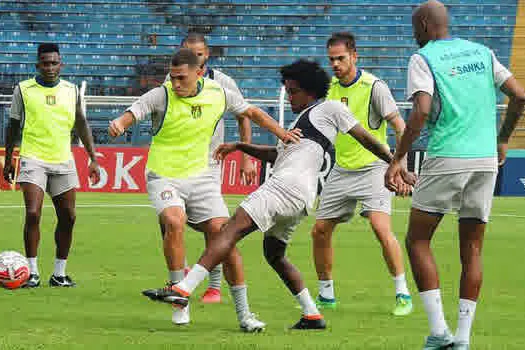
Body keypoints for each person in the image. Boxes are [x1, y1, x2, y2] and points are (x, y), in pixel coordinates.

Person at [142, 59, 412, 330]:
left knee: (228, 230)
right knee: (274, 254)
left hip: (284, 188)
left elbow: (364, 138)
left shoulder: (330, 108)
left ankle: (184, 289)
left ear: (309, 91)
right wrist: (241, 146)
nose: (290, 96)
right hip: (301, 197)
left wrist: (395, 163)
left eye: (293, 91)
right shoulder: (303, 121)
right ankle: (312, 314)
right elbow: (276, 155)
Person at [109, 49, 299, 331]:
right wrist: (119, 124)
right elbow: (132, 113)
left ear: (199, 73)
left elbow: (251, 112)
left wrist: (282, 133)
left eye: (181, 78)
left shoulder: (219, 93)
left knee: (225, 238)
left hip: (202, 179)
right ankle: (179, 299)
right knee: (174, 221)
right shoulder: (161, 94)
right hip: (164, 176)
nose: (175, 84)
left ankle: (245, 315)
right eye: (172, 78)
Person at [385, 1, 525, 348]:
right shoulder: (482, 52)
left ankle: (438, 331)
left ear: (423, 24)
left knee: (417, 240)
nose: (413, 34)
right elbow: (520, 95)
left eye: (414, 27)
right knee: (473, 249)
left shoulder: (424, 57)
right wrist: (502, 139)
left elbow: (421, 109)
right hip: (484, 161)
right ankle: (462, 339)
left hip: (448, 156)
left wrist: (398, 158)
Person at [310, 32, 413, 315]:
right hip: (342, 169)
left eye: (341, 58)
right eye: (331, 59)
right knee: (319, 231)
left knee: (381, 228)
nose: (335, 64)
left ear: (354, 56)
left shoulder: (374, 87)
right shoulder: (328, 88)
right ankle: (326, 296)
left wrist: (399, 165)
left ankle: (403, 293)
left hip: (374, 169)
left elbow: (399, 125)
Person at [163, 32, 257, 304]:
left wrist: (246, 156)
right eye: (189, 52)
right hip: (175, 163)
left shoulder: (224, 83)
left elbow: (244, 116)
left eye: (199, 54)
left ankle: (213, 286)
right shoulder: (171, 82)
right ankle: (179, 278)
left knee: (214, 226)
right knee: (169, 221)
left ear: (207, 55)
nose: (194, 58)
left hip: (209, 162)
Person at [3, 43, 100, 288]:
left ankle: (59, 274)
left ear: (61, 65)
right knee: (33, 213)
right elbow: (13, 125)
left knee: (68, 217)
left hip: (63, 160)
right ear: (37, 65)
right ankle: (32, 272)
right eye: (45, 63)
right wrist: (8, 159)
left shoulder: (71, 90)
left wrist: (93, 157)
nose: (49, 67)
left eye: (54, 63)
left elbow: (81, 123)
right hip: (33, 157)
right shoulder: (23, 90)